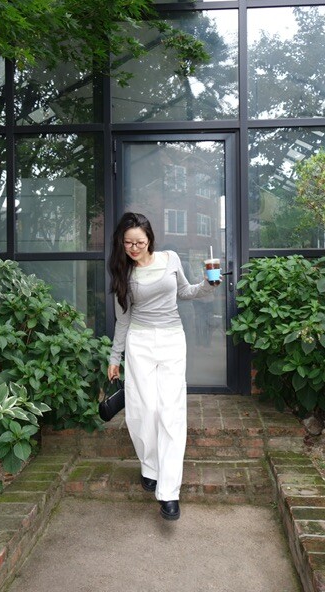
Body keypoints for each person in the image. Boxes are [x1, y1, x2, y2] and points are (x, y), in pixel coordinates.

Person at [107, 212, 220, 521]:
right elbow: (123, 320)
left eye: (139, 242)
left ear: (150, 239)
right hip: (140, 342)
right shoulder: (123, 273)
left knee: (170, 413)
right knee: (143, 411)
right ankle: (150, 467)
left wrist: (208, 285)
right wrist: (115, 358)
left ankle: (169, 491)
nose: (134, 248)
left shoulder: (170, 259)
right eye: (128, 243)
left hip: (171, 340)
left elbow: (185, 292)